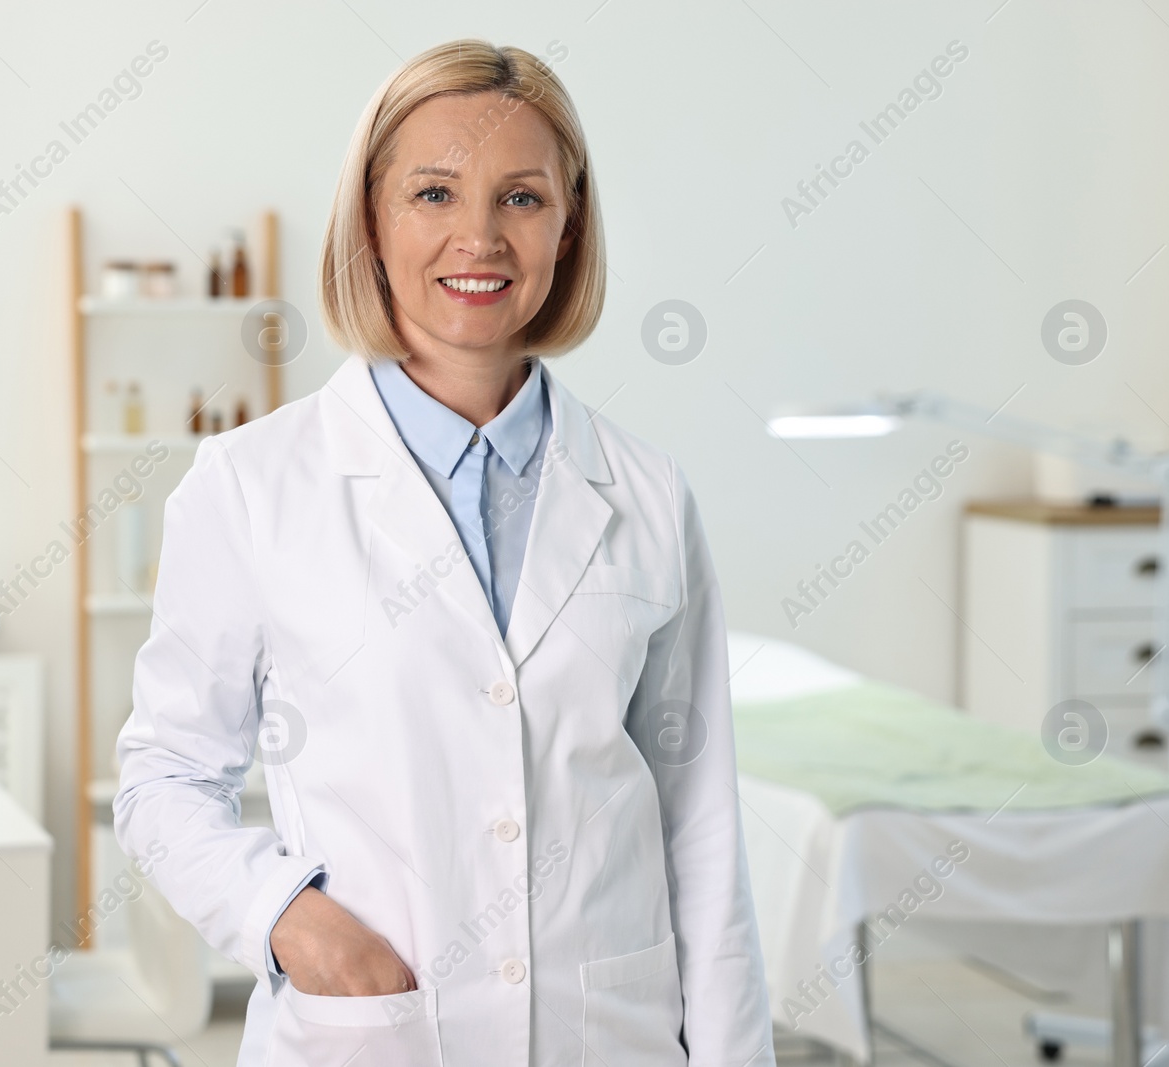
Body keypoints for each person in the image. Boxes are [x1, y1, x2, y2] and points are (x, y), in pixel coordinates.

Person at [114, 38, 774, 1067]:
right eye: (432, 193)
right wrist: (295, 922)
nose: (479, 236)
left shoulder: (645, 492)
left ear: (570, 224)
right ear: (371, 222)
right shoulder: (249, 485)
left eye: (521, 197)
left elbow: (701, 822)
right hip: (370, 1028)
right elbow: (162, 775)